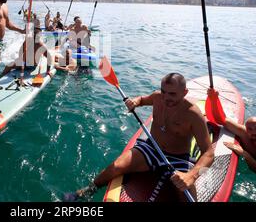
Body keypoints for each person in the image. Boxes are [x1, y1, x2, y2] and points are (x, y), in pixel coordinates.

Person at [67, 73, 214, 201]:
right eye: (164, 92)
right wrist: (135, 102)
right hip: (151, 148)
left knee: (188, 196)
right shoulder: (157, 98)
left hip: (178, 159)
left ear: (185, 92)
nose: (166, 98)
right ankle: (87, 191)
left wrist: (192, 176)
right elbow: (142, 100)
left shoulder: (193, 114)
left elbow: (209, 153)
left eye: (173, 94)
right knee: (116, 166)